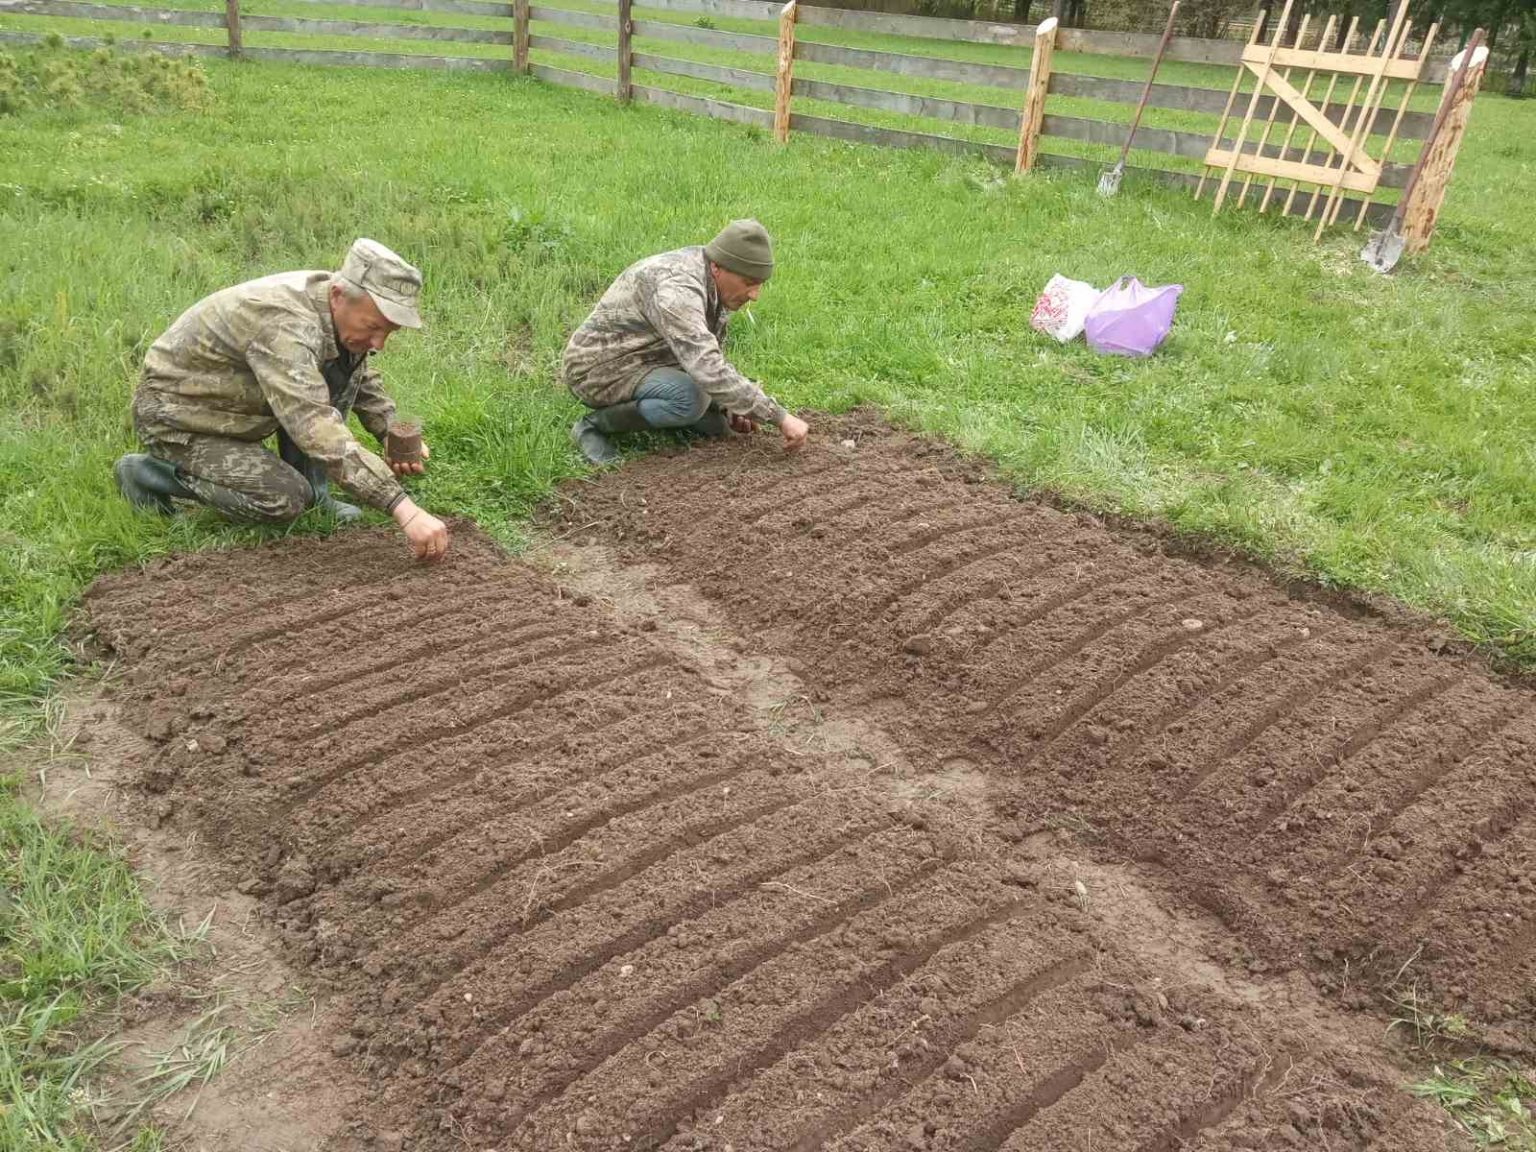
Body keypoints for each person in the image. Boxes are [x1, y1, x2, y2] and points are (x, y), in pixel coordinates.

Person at [114, 239, 449, 561]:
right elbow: (312, 422)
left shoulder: (334, 306)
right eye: (374, 327)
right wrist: (403, 509)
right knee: (283, 498)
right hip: (181, 418)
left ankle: (316, 493)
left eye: (389, 332)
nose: (380, 343)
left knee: (343, 364)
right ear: (337, 295)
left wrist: (389, 428)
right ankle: (148, 473)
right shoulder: (285, 325)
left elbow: (357, 377)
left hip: (241, 405)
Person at [561, 219, 810, 465]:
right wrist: (778, 416)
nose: (755, 295)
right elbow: (706, 365)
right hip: (599, 369)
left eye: (760, 285)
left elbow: (707, 353)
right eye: (749, 283)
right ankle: (593, 427)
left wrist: (729, 404)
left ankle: (683, 412)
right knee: (690, 399)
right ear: (717, 268)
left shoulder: (711, 274)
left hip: (652, 358)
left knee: (714, 419)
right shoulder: (677, 289)